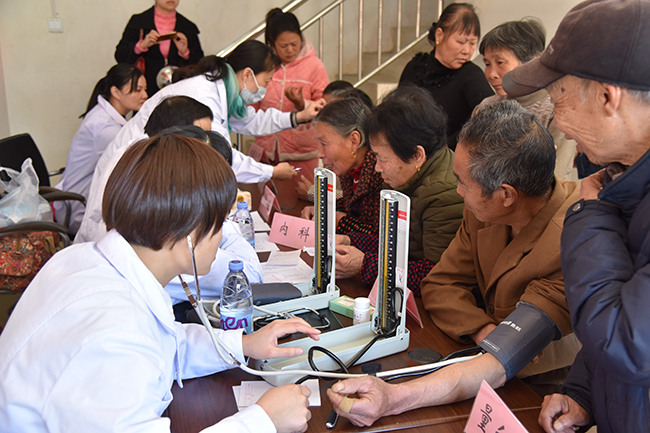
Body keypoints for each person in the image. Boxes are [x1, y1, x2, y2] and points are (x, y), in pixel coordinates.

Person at [0, 132, 320, 432]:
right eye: (220, 224)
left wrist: (243, 344)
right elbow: (135, 345)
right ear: (190, 234)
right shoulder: (115, 332)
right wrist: (263, 421)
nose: (222, 236)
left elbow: (166, 344)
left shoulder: (85, 260)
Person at [326, 100, 582, 427]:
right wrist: (482, 329)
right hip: (478, 356)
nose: (457, 190)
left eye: (463, 182)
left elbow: (503, 357)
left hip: (542, 383)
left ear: (506, 195)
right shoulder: (484, 208)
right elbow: (439, 283)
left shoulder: (574, 237)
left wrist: (393, 397)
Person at [501, 1, 650, 431]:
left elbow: (629, 343)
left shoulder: (598, 200)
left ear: (607, 96)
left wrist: (589, 213)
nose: (560, 126)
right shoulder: (622, 177)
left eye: (558, 100)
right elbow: (617, 303)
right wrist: (584, 394)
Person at [76, 40, 325, 243]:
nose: (266, 88)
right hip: (133, 174)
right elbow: (220, 154)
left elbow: (249, 121)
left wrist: (296, 117)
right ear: (248, 74)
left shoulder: (223, 91)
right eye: (267, 81)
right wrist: (270, 171)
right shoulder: (204, 95)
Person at [334, 86, 464, 295]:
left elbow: (436, 274)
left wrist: (364, 265)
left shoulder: (444, 194)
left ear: (417, 155)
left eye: (382, 158)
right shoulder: (404, 176)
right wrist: (350, 240)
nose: (377, 168)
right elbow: (397, 243)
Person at [476, 18, 578, 181]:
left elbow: (553, 177)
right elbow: (472, 166)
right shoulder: (485, 107)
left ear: (533, 62)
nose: (491, 74)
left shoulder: (557, 110)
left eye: (500, 62)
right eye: (487, 64)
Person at [54, 64, 147, 233]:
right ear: (116, 92)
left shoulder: (104, 116)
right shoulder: (105, 128)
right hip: (80, 209)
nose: (145, 95)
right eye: (137, 90)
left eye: (145, 89)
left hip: (81, 200)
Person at [254, 8, 330, 208]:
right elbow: (252, 105)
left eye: (294, 44)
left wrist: (300, 103)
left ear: (301, 38)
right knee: (269, 208)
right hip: (267, 151)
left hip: (301, 152)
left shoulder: (315, 66)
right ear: (272, 43)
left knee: (302, 207)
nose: (289, 50)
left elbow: (324, 107)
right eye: (283, 45)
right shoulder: (265, 65)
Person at [399, 2, 493, 149]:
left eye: (472, 43)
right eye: (460, 42)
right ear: (439, 35)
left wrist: (451, 143)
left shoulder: (470, 74)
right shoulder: (414, 67)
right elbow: (397, 111)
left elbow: (491, 114)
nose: (466, 51)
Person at [300, 97, 382, 235]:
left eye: (324, 144)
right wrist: (322, 210)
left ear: (353, 141)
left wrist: (341, 222)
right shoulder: (350, 169)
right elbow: (351, 207)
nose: (319, 154)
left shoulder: (381, 172)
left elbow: (382, 238)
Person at [115, 0, 204, 97]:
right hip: (146, 88)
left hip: (178, 89)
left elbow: (200, 63)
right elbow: (120, 55)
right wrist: (141, 46)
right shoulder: (139, 22)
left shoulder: (187, 26)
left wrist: (185, 53)